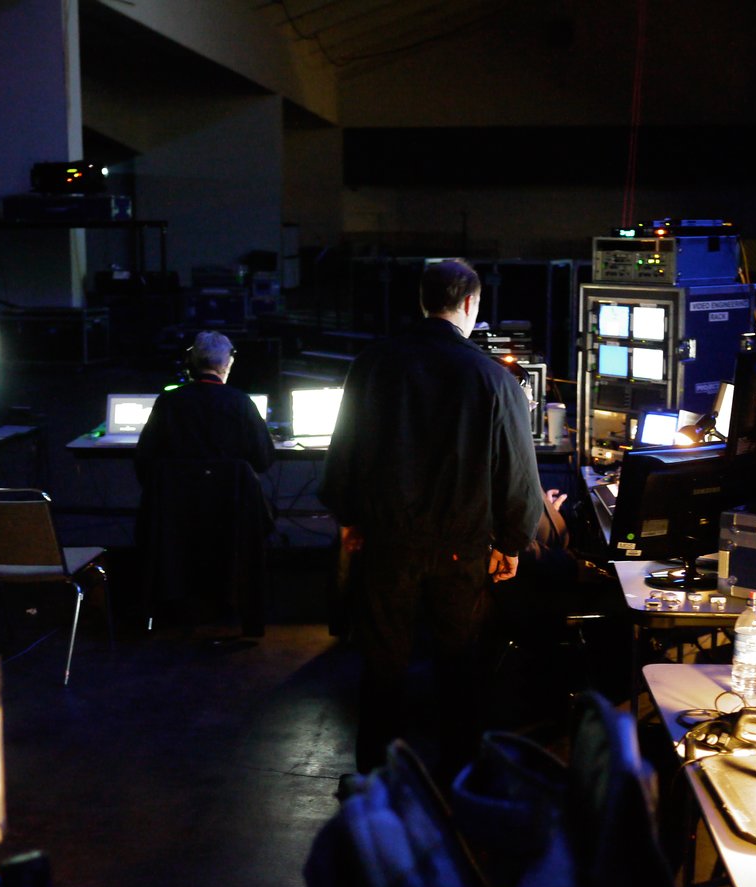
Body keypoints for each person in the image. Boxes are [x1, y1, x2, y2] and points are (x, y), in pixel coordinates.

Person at [319, 257, 542, 782]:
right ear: (471, 304)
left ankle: (374, 775)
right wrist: (511, 541)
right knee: (458, 664)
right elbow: (516, 468)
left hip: (386, 540)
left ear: (423, 299)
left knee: (383, 662)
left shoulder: (372, 365)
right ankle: (457, 774)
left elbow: (345, 450)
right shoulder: (493, 378)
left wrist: (350, 519)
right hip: (460, 546)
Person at [133, 330, 275, 489]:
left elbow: (144, 459)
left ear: (191, 362)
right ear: (227, 364)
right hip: (231, 504)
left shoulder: (167, 402)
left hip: (175, 504)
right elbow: (263, 461)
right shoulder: (242, 403)